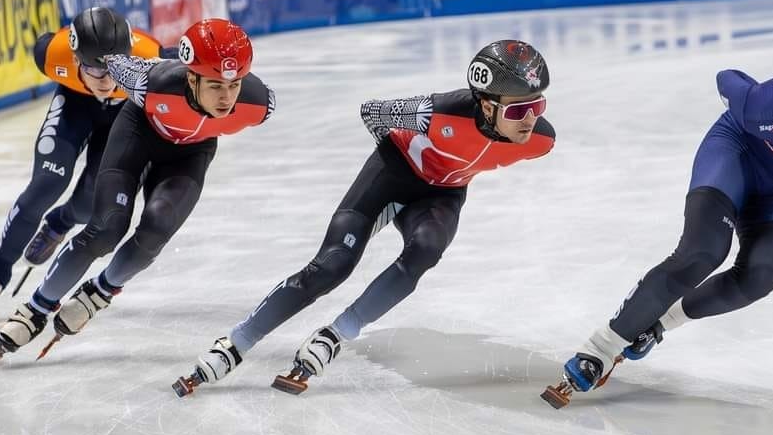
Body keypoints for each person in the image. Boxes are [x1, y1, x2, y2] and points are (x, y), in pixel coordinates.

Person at [172, 39, 556, 397]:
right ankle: (236, 343)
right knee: (332, 265)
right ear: (487, 106)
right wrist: (393, 165)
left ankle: (336, 335)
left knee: (425, 251)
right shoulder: (436, 112)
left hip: (442, 193)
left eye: (538, 107)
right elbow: (372, 113)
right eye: (520, 110)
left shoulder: (541, 141)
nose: (530, 121)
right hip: (395, 172)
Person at [541, 42, 773, 409]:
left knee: (758, 278)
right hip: (736, 156)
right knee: (702, 253)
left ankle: (657, 326)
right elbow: (727, 79)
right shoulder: (769, 108)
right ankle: (599, 349)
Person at [0, 18, 275, 367]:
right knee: (106, 229)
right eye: (215, 85)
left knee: (157, 229)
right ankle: (36, 308)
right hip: (137, 136)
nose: (227, 98)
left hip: (189, 156)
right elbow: (114, 60)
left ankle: (100, 292)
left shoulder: (258, 104)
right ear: (191, 76)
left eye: (234, 85)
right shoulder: (152, 83)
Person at [0, 7, 169, 323]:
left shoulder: (152, 59)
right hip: (75, 105)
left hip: (124, 118)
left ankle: (61, 221)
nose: (107, 82)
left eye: (117, 71)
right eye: (96, 71)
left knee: (90, 204)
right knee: (46, 183)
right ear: (74, 61)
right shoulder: (50, 53)